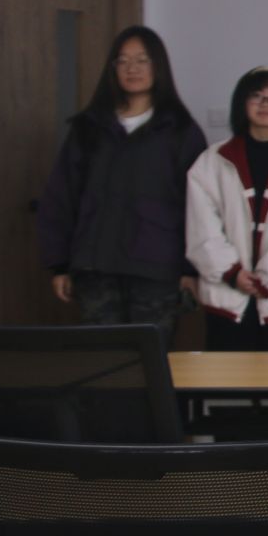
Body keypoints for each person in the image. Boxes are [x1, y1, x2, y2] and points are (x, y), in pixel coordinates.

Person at [38, 26, 207, 342]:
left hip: (157, 270)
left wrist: (191, 270)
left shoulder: (181, 131)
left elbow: (199, 207)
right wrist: (59, 264)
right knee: (103, 360)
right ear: (112, 68)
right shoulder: (88, 128)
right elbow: (61, 196)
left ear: (158, 66)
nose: (133, 69)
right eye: (123, 61)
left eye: (142, 60)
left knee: (152, 359)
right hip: (96, 267)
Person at [186, 66, 268, 350]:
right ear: (242, 103)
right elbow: (202, 226)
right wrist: (232, 272)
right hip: (226, 297)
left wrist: (267, 281)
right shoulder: (213, 161)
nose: (266, 103)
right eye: (256, 96)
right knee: (226, 375)